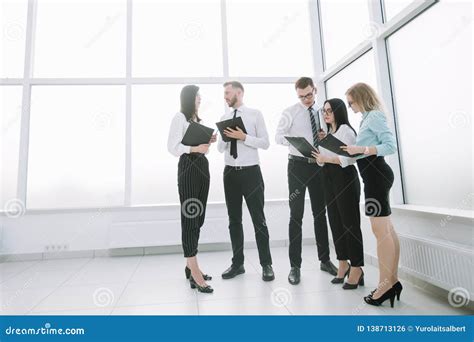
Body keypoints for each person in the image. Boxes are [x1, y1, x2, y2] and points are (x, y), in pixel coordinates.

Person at [341, 82, 401, 307]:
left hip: (376, 176)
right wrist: (353, 151)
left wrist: (363, 149)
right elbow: (363, 149)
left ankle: (385, 285)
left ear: (361, 98)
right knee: (387, 230)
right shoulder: (367, 117)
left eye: (351, 102)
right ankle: (392, 281)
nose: (351, 107)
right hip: (374, 176)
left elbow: (390, 145)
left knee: (380, 232)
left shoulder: (374, 116)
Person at [275, 77, 337, 285]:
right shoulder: (290, 112)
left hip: (319, 166)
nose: (306, 99)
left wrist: (325, 135)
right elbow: (278, 137)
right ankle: (295, 266)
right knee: (296, 215)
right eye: (301, 96)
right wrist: (295, 142)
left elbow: (334, 135)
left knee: (320, 213)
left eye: (309, 95)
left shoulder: (324, 112)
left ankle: (325, 260)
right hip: (297, 166)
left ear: (315, 90)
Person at [217, 81, 274, 282]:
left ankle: (266, 265)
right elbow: (219, 149)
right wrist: (224, 138)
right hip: (230, 174)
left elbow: (265, 143)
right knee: (234, 221)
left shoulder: (255, 114)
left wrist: (244, 137)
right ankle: (237, 264)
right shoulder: (224, 117)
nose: (225, 96)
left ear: (239, 93)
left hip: (251, 173)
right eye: (224, 93)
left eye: (227, 93)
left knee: (259, 220)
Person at [167, 85, 217, 294]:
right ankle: (195, 271)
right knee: (190, 217)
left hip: (202, 167)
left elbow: (197, 144)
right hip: (188, 168)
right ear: (189, 98)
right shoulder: (179, 117)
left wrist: (208, 141)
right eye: (197, 96)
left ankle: (190, 266)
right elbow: (172, 147)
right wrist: (196, 148)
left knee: (199, 217)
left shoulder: (197, 121)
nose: (199, 98)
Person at [311, 98, 364, 289]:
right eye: (324, 111)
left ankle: (357, 267)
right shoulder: (328, 134)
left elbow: (349, 159)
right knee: (334, 221)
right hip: (328, 178)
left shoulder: (347, 131)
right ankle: (343, 263)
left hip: (345, 179)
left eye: (329, 111)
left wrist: (326, 158)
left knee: (350, 224)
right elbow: (322, 159)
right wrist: (319, 158)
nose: (325, 114)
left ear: (338, 112)